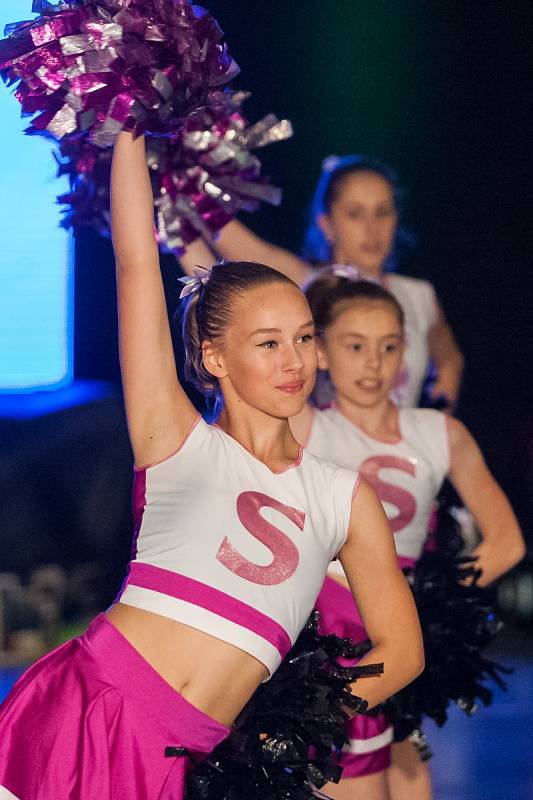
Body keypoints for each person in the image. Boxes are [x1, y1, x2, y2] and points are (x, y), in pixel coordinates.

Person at [0, 134, 424, 800]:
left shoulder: (343, 497)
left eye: (303, 339)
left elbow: (400, 652)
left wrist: (299, 722)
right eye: (267, 342)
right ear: (214, 358)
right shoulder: (174, 437)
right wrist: (127, 119)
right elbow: (137, 263)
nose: (292, 360)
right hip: (83, 711)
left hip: (182, 757)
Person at [287, 271, 525, 800]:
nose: (373, 363)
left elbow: (506, 541)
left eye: (388, 347)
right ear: (321, 353)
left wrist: (431, 608)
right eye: (355, 346)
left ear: (406, 354)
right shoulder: (304, 428)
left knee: (412, 785)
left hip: (400, 632)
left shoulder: (440, 433)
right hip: (330, 632)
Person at [192, 155, 464, 410]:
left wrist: (440, 411)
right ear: (326, 223)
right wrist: (183, 180)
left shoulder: (419, 294)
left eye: (382, 212)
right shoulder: (307, 284)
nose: (372, 228)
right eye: (355, 213)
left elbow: (450, 360)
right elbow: (221, 231)